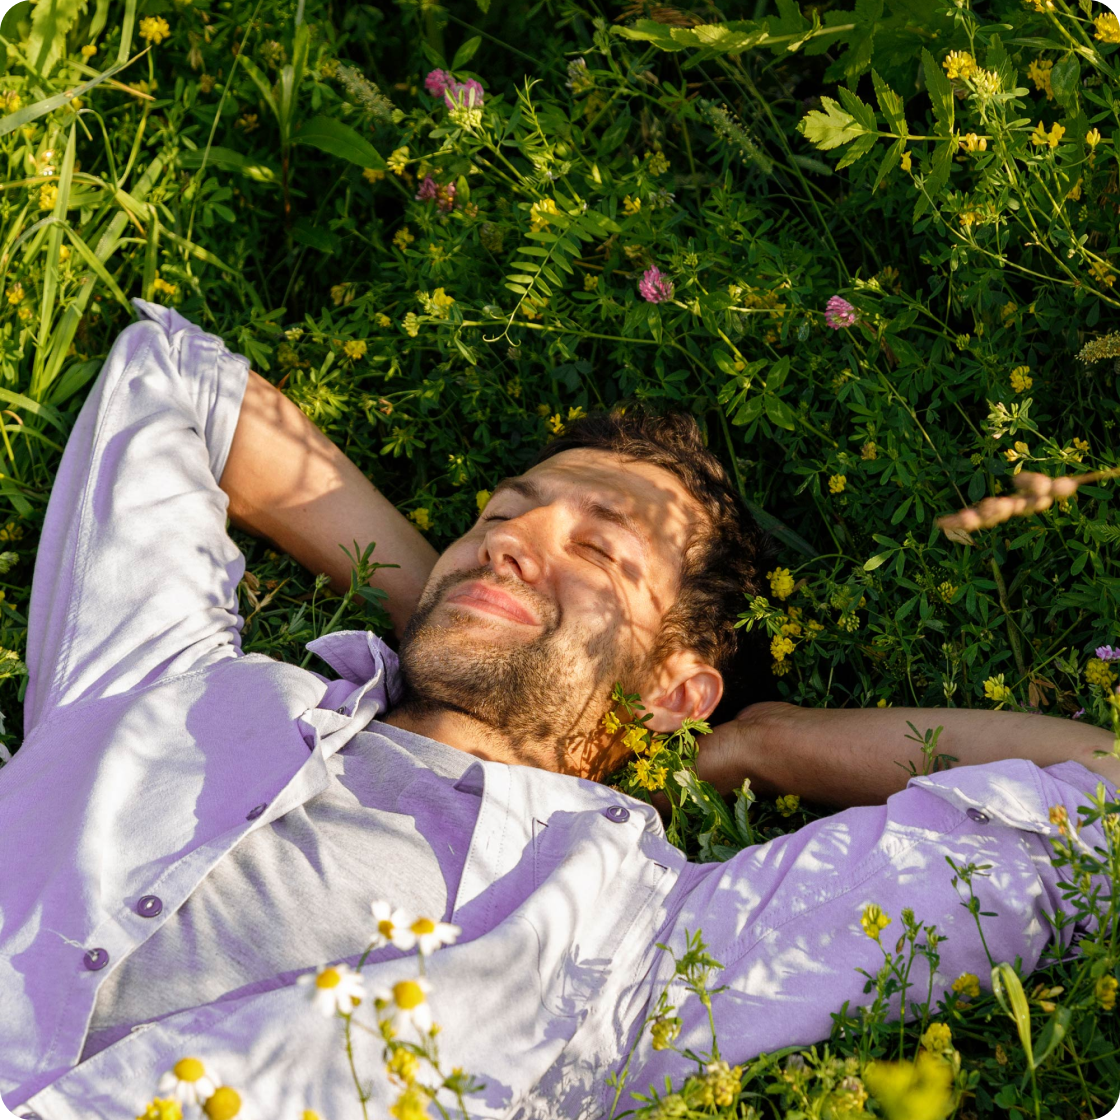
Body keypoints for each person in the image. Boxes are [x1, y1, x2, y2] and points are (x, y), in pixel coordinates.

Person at [0, 302, 1115, 1120]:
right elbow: (174, 378)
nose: (517, 538)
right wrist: (456, 600)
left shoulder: (629, 946)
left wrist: (757, 744)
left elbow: (1102, 815)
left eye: (602, 552)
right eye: (504, 512)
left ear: (678, 686)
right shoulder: (171, 685)